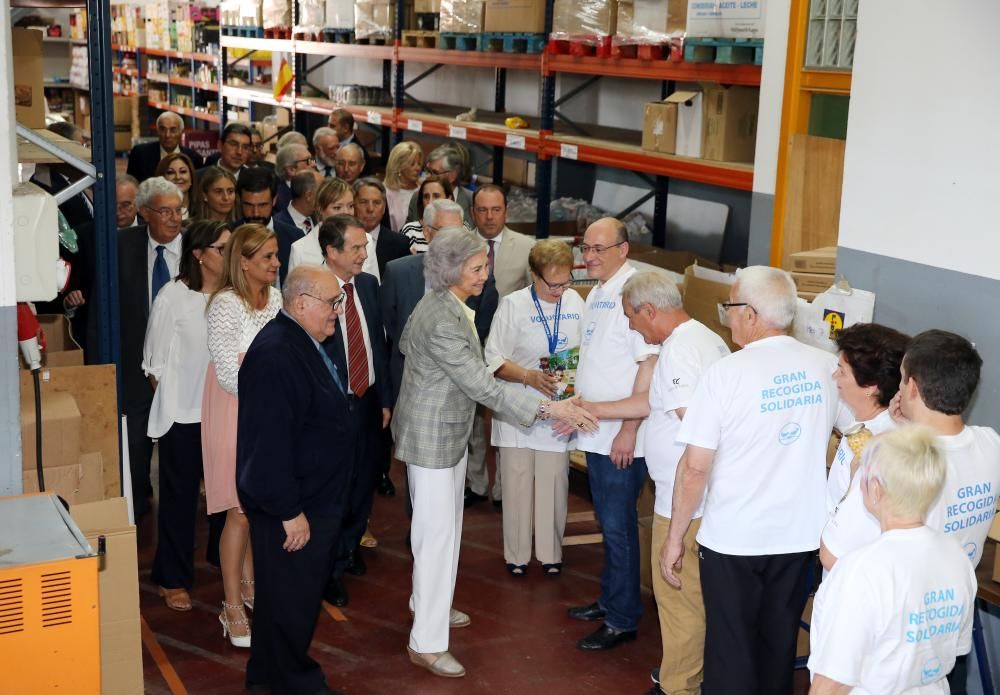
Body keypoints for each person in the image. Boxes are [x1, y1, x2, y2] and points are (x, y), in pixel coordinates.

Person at [392, 227, 598, 678]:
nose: (487, 274)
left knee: (445, 532)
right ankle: (425, 643)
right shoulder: (444, 317)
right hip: (432, 439)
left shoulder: (443, 304)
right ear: (451, 270)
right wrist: (549, 406)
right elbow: (483, 384)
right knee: (436, 536)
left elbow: (408, 345)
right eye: (477, 267)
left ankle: (430, 603)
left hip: (443, 433)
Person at [662, 265, 841, 695]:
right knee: (778, 646)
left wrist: (674, 538)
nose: (727, 317)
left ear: (751, 313)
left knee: (730, 648)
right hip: (800, 536)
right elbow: (857, 432)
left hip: (734, 539)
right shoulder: (826, 365)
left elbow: (695, 467)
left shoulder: (727, 373)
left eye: (730, 307)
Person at [580, 271, 730, 695]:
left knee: (676, 595)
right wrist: (591, 407)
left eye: (631, 317)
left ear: (650, 310)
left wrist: (679, 515)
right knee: (691, 595)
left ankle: (678, 685)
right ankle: (688, 670)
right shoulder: (700, 338)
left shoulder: (680, 351)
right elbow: (653, 401)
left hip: (683, 498)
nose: (631, 326)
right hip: (697, 495)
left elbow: (694, 427)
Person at [237, 265, 354, 695]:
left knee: (283, 599)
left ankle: (266, 677)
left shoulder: (298, 341)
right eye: (331, 303)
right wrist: (290, 513)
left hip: (312, 497)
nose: (337, 313)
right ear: (301, 303)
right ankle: (293, 682)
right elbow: (266, 446)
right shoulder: (276, 353)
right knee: (292, 602)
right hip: (295, 506)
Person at [808, 426, 976, 695]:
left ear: (875, 488)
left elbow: (830, 684)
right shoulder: (956, 557)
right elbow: (954, 650)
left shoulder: (860, 570)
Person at [567, 217, 659, 651]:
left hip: (621, 438)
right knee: (608, 522)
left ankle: (623, 619)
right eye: (585, 248)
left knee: (619, 527)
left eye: (598, 249)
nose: (588, 257)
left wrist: (629, 429)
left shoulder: (634, 292)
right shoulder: (600, 292)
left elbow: (649, 365)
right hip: (596, 432)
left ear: (623, 249)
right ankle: (609, 599)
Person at [484, 239, 586, 576]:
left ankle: (550, 553)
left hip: (560, 405)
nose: (559, 290)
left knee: (555, 480)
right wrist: (528, 376)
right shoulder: (512, 305)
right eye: (551, 283)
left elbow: (584, 350)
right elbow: (493, 359)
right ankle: (516, 555)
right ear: (534, 276)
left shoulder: (575, 301)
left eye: (565, 281)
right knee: (516, 481)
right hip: (518, 405)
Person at [202, 223, 283, 647]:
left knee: (255, 505)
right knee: (239, 509)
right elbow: (229, 374)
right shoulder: (225, 305)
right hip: (235, 410)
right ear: (244, 262)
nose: (275, 263)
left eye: (276, 255)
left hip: (266, 411)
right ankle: (231, 605)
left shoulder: (276, 298)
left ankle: (250, 586)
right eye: (267, 257)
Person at [143, 220, 230, 611]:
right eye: (222, 249)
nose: (229, 257)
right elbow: (153, 366)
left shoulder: (233, 297)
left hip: (226, 413)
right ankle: (173, 577)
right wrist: (178, 406)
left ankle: (221, 556)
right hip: (184, 416)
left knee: (227, 497)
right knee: (179, 501)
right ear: (199, 254)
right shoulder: (172, 297)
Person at [315, 215, 392, 608]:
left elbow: (378, 343)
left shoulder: (367, 284)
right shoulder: (312, 290)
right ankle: (328, 572)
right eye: (357, 248)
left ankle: (348, 550)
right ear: (332, 252)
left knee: (363, 483)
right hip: (331, 407)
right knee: (335, 490)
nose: (365, 254)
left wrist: (384, 399)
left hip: (367, 400)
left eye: (366, 247)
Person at [464, 183, 536, 508]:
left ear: (506, 210)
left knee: (506, 414)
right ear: (472, 212)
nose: (489, 216)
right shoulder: (462, 246)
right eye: (482, 210)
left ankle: (504, 488)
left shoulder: (527, 247)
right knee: (475, 415)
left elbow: (534, 298)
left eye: (496, 210)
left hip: (511, 349)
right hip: (470, 342)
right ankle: (476, 483)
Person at [119, 176, 185, 518]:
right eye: (165, 211)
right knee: (134, 447)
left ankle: (177, 506)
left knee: (180, 448)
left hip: (182, 369)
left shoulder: (195, 252)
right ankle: (139, 502)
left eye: (178, 210)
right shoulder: (121, 246)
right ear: (145, 213)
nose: (174, 218)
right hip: (135, 367)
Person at [823, 323, 910, 516]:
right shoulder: (863, 421)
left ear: (870, 386)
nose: (834, 375)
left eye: (842, 371)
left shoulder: (880, 442)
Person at [235, 167, 304, 287]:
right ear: (239, 201)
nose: (255, 213)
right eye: (248, 205)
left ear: (274, 200)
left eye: (262, 205)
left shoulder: (295, 237)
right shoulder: (228, 236)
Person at [288, 177, 355, 272]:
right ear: (320, 209)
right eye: (337, 207)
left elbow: (371, 285)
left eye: (351, 206)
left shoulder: (366, 242)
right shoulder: (299, 249)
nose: (346, 213)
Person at [353, 177, 411, 281]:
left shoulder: (400, 244)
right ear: (353, 205)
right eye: (363, 202)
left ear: (384, 207)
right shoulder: (342, 240)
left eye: (376, 202)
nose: (370, 209)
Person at [127, 111, 204, 182]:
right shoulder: (140, 154)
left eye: (173, 130)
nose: (167, 135)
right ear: (157, 131)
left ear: (181, 132)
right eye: (162, 129)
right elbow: (131, 184)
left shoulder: (194, 159)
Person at [405, 143, 473, 224]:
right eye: (427, 171)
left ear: (452, 176)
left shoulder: (472, 200)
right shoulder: (418, 197)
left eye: (434, 172)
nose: (428, 177)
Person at [400, 175, 454, 253]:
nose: (430, 202)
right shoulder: (410, 230)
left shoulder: (461, 229)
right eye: (426, 197)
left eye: (436, 196)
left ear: (449, 198)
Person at [384, 141, 424, 233]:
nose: (418, 168)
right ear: (399, 166)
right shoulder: (385, 192)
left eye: (419, 163)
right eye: (412, 164)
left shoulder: (423, 190)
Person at [275, 169, 323, 236]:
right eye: (322, 190)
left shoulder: (320, 219)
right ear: (308, 195)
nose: (326, 194)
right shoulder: (277, 226)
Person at [274, 143, 316, 213]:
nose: (314, 164)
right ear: (291, 170)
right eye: (308, 161)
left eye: (312, 159)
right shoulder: (278, 199)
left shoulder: (319, 185)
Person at [155, 152, 197, 219]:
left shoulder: (204, 209)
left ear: (191, 176)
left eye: (183, 171)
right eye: (170, 172)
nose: (178, 177)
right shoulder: (154, 211)